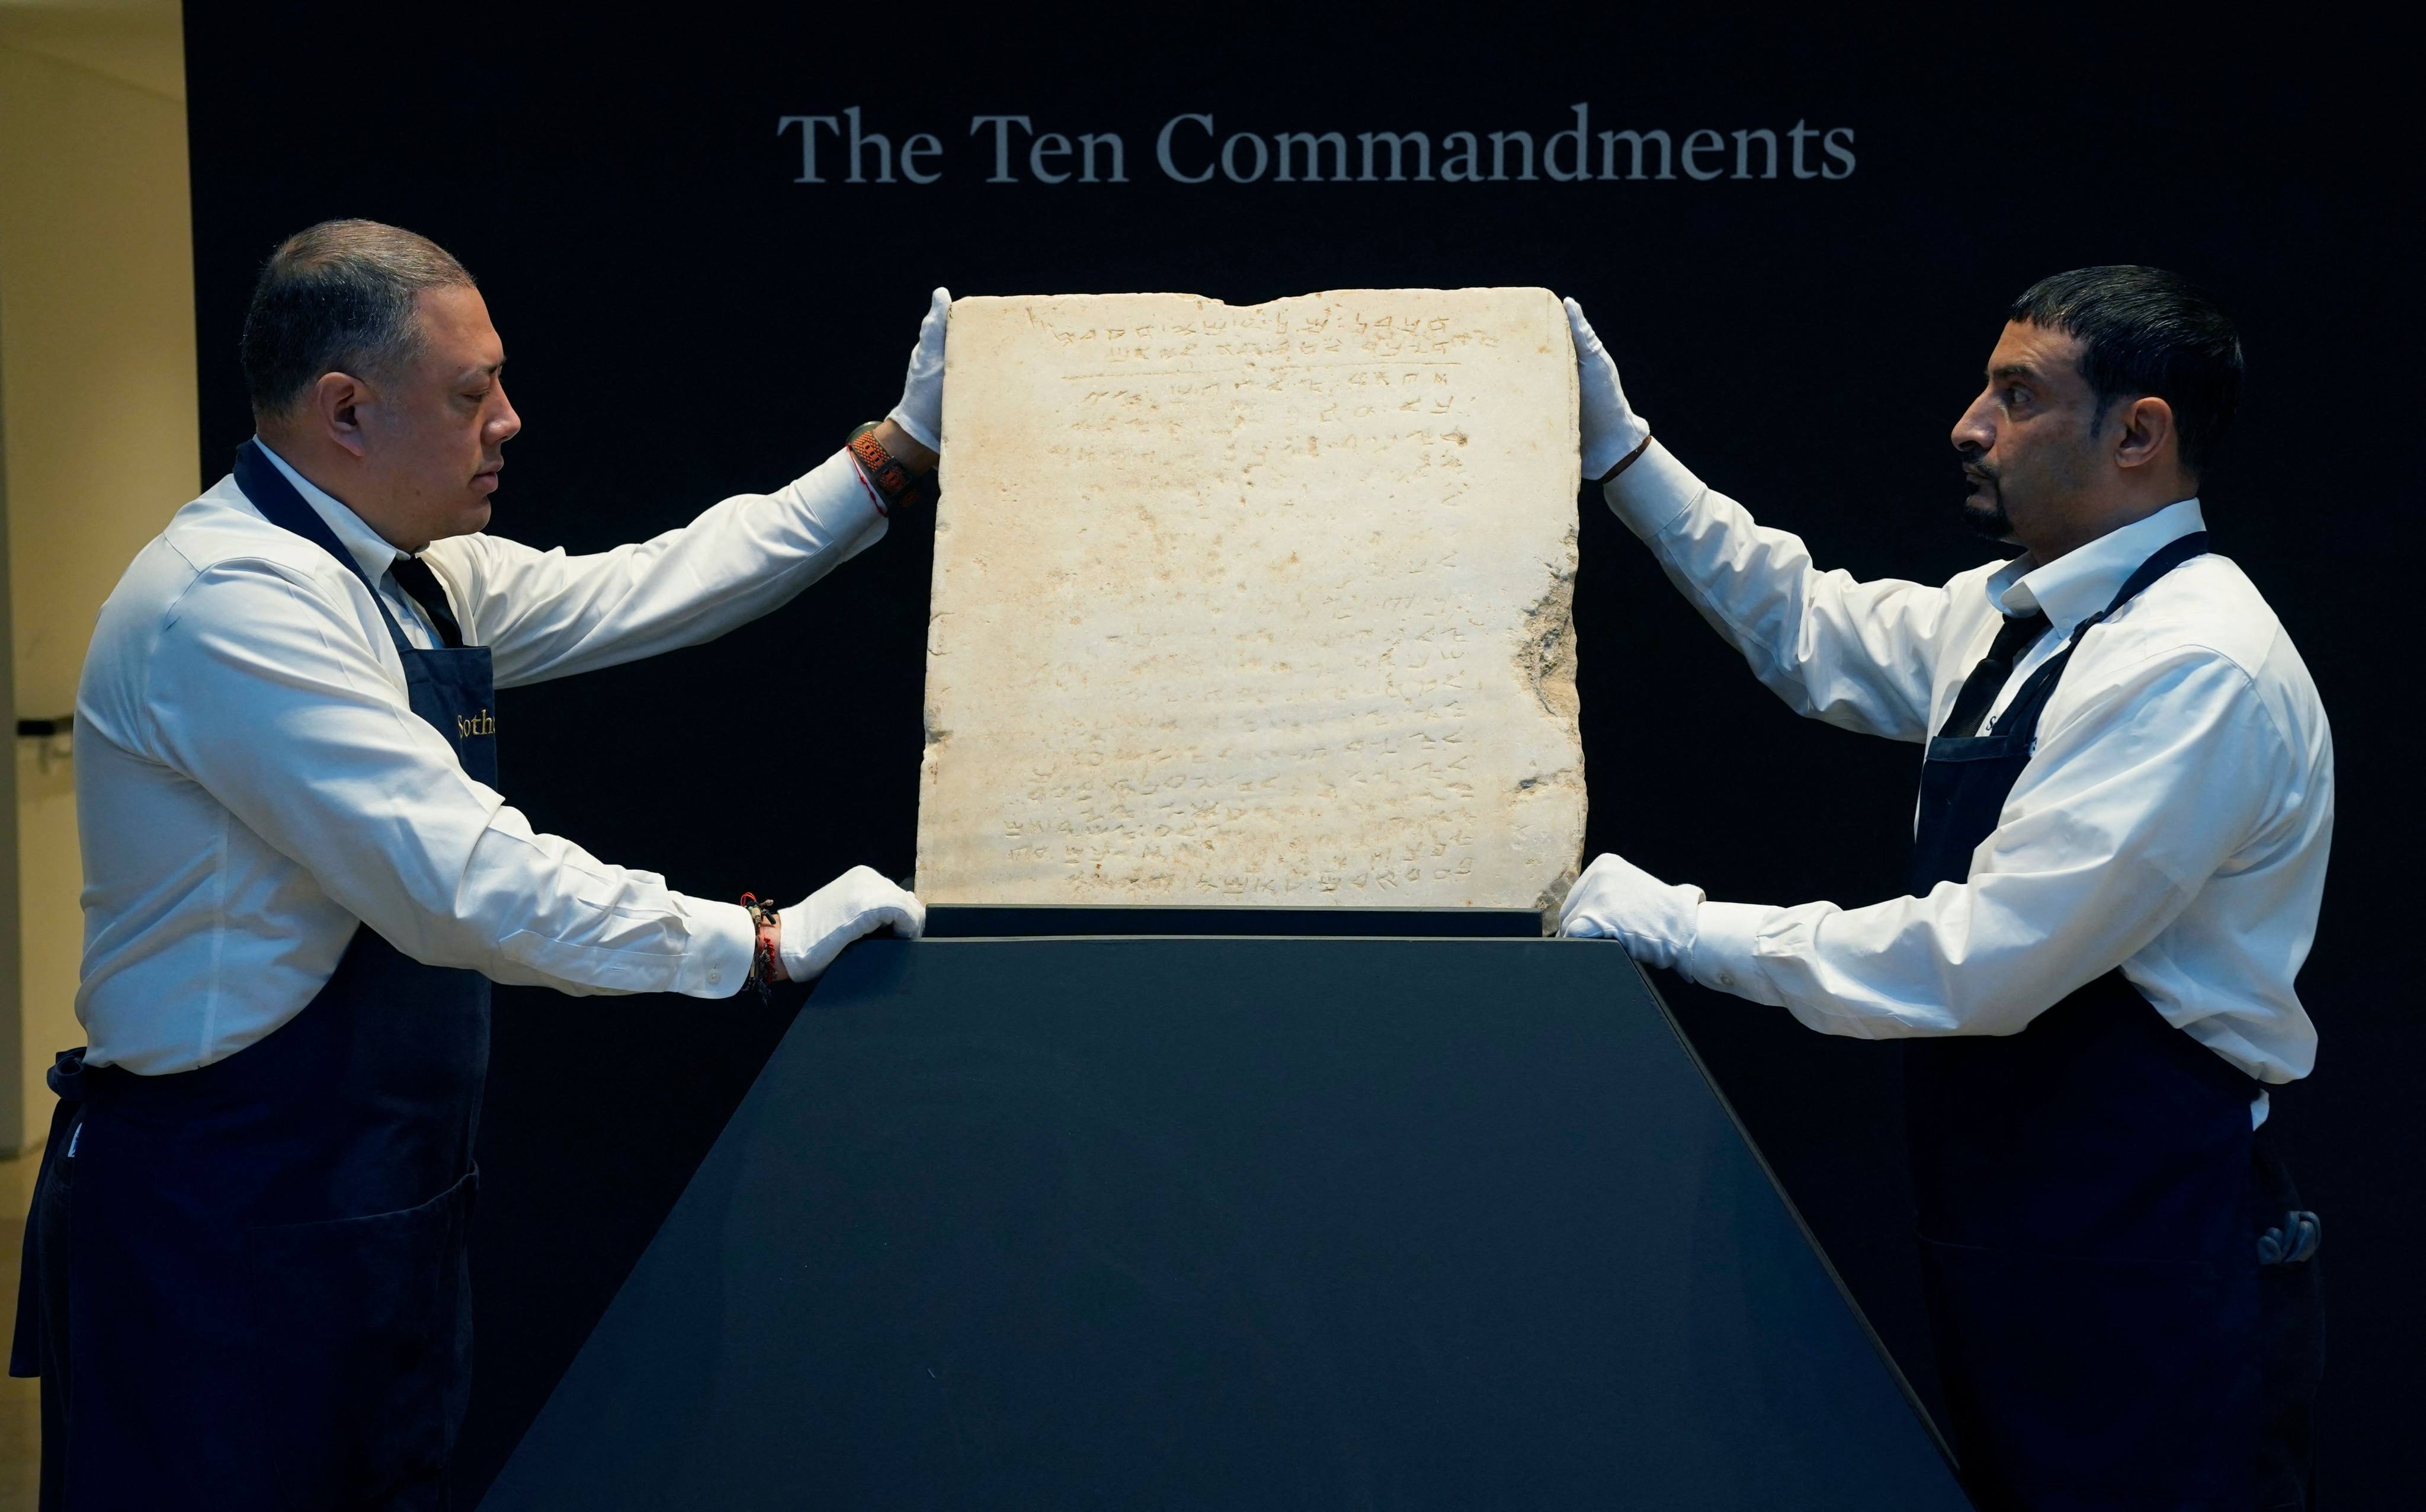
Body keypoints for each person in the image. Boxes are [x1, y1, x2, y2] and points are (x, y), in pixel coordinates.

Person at [8, 219, 952, 1509]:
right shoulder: (229, 603)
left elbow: (656, 583)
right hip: (219, 1226)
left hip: (362, 1211)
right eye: (472, 392)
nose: (508, 419)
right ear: (346, 408)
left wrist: (894, 453)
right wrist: (757, 943)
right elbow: (467, 885)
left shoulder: (412, 578)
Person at [1556, 268, 2327, 1511]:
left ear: (2138, 433)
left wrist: (1680, 926)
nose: (1966, 425)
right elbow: (1807, 631)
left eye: (2015, 395)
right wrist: (1623, 454)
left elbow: (1974, 961)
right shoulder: (2020, 615)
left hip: (2148, 1246)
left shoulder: (2190, 666)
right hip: (2030, 1223)